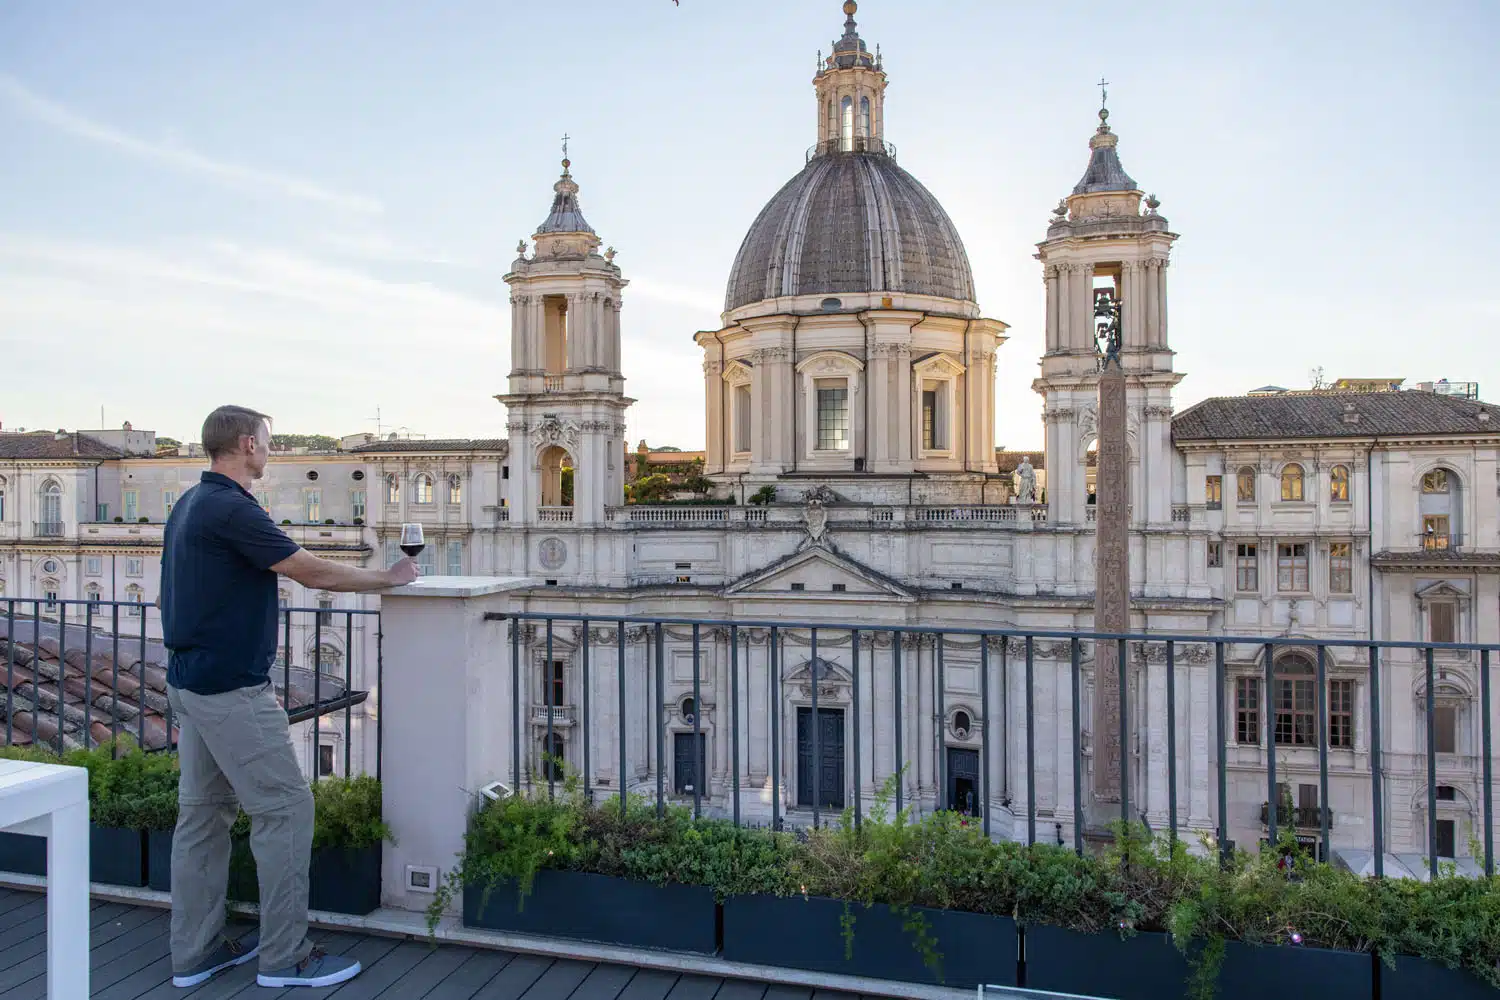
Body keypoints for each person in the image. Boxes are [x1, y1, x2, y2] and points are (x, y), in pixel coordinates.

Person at [161, 406, 418, 989]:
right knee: (286, 810)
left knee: (203, 815)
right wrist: (388, 578)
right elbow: (310, 571)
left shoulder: (190, 503)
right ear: (247, 444)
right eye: (267, 441)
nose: (270, 450)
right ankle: (286, 957)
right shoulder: (231, 507)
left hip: (189, 680)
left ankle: (195, 952)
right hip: (228, 686)